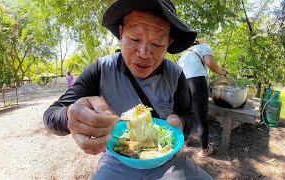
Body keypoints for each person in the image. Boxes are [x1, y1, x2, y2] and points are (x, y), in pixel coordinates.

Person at [43, 0, 213, 179]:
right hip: (117, 160)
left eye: (157, 43)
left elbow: (191, 116)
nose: (144, 53)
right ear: (122, 33)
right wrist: (70, 116)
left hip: (167, 159)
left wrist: (181, 123)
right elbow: (51, 114)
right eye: (135, 39)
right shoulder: (101, 69)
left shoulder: (176, 74)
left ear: (168, 43)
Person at [177, 39, 227, 158]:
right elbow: (209, 62)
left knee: (185, 113)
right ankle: (204, 149)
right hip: (197, 82)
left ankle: (185, 140)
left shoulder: (183, 55)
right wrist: (221, 71)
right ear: (199, 44)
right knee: (201, 116)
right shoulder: (204, 46)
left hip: (181, 84)